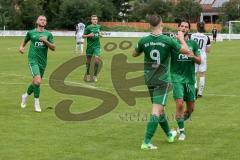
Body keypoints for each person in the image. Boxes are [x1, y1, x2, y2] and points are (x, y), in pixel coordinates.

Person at [132, 14, 193, 150]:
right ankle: (146, 142)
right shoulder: (167, 40)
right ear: (161, 24)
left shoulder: (143, 40)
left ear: (150, 25)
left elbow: (134, 54)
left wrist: (145, 48)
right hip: (162, 81)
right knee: (156, 110)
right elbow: (187, 51)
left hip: (149, 79)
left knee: (161, 110)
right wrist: (182, 39)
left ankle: (169, 134)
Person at [170, 20, 201, 141]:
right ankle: (182, 132)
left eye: (186, 27)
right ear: (178, 28)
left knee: (191, 109)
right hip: (176, 77)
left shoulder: (193, 43)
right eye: (181, 26)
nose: (183, 28)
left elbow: (199, 60)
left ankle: (178, 126)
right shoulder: (172, 43)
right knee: (179, 103)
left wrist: (192, 56)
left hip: (189, 79)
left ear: (189, 29)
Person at [19, 15, 55, 112]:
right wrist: (21, 47)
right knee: (38, 81)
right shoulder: (31, 33)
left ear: (46, 23)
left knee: (35, 82)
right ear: (37, 21)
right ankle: (37, 103)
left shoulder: (48, 34)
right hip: (33, 60)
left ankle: (25, 96)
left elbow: (53, 48)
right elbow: (25, 40)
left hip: (43, 62)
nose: (43, 21)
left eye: (44, 20)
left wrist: (45, 41)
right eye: (41, 20)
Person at [191, 22, 211, 98]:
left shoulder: (192, 35)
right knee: (202, 74)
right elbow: (208, 50)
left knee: (194, 74)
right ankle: (200, 93)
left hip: (194, 55)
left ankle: (195, 87)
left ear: (197, 27)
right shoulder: (206, 37)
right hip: (202, 56)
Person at [82, 15, 102, 82]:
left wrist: (100, 34)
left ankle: (95, 76)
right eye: (93, 19)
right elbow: (83, 36)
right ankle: (87, 74)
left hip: (97, 46)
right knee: (88, 61)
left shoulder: (99, 26)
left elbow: (98, 33)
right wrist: (89, 35)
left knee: (96, 60)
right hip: (90, 46)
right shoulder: (88, 27)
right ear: (91, 20)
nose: (95, 20)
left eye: (96, 19)